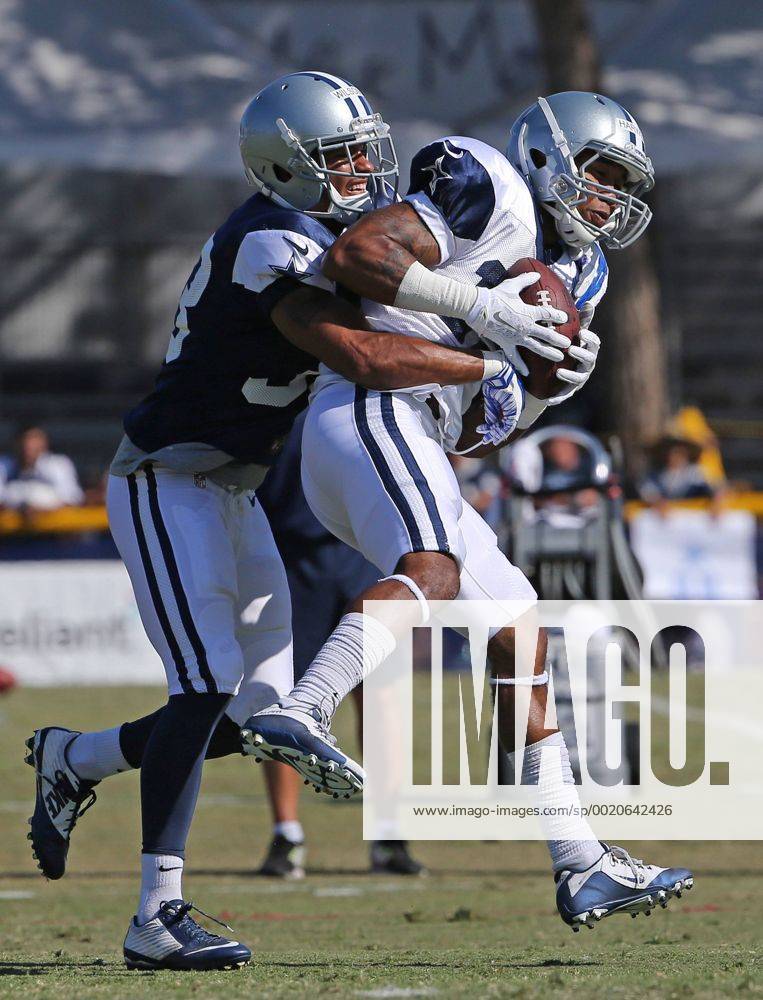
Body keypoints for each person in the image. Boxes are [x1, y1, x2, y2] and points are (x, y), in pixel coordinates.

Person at [25, 72, 539, 971]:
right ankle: (157, 912)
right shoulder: (270, 237)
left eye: (361, 150)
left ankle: (78, 758)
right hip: (165, 482)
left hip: (238, 489)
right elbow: (360, 353)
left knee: (260, 713)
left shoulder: (332, 232)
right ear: (283, 162)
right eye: (338, 156)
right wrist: (488, 353)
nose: (360, 170)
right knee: (205, 684)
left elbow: (394, 308)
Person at [246, 91, 693, 931]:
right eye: (598, 174)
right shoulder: (486, 183)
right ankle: (301, 708)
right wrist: (484, 310)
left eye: (618, 183)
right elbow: (357, 254)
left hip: (419, 429)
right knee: (433, 572)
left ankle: (580, 862)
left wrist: (538, 391)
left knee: (517, 629)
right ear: (545, 157)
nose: (608, 198)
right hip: (370, 407)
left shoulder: (586, 272)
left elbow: (487, 425)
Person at [257, 410, 426, 877]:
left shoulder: (358, 388)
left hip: (364, 556)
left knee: (380, 699)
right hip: (288, 559)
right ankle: (285, 833)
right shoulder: (284, 385)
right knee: (284, 698)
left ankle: (389, 831)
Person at [0, 426, 84, 511]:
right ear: (16, 443)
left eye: (34, 440)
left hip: (54, 522)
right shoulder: (3, 465)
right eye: (25, 440)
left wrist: (42, 509)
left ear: (44, 443)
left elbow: (72, 500)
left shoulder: (58, 464)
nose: (28, 445)